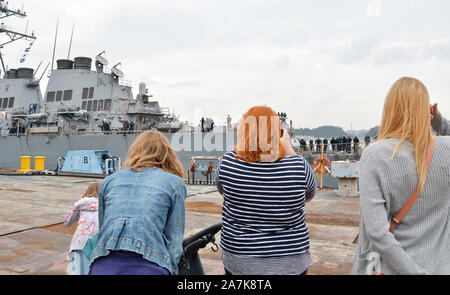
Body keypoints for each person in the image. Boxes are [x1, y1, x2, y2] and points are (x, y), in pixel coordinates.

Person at [351, 77, 450, 275]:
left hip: (387, 268)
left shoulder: (375, 154)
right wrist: (439, 121)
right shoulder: (446, 149)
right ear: (426, 111)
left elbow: (378, 233)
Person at [215, 106, 317, 275]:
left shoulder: (228, 163)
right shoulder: (299, 166)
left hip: (240, 260)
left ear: (244, 131)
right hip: (290, 261)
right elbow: (310, 195)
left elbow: (223, 190)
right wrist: (290, 150)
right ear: (279, 134)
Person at [88, 131, 187, 275]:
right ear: (167, 154)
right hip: (149, 267)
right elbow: (174, 241)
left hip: (102, 266)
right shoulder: (175, 184)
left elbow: (103, 228)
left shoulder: (109, 181)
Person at [64, 182, 100, 275]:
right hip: (97, 244)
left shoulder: (80, 204)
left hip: (79, 243)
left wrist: (77, 213)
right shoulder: (107, 205)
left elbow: (67, 222)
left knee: (78, 271)